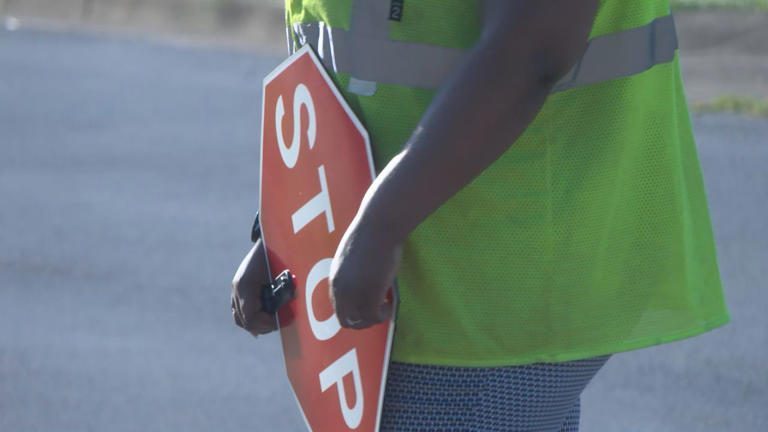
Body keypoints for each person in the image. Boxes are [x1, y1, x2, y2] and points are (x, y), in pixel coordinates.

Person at [231, 0, 730, 430]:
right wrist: (294, 223)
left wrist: (380, 222)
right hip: (434, 292)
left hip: (491, 294)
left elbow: (531, 47)